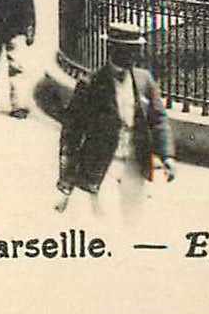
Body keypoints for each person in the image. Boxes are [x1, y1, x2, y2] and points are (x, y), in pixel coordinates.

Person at [56, 22, 174, 223]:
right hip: (103, 165)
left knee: (134, 219)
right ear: (112, 49)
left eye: (135, 49)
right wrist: (67, 176)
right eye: (127, 49)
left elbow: (158, 120)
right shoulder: (91, 83)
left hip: (135, 163)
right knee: (107, 220)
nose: (133, 55)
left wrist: (166, 156)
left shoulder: (144, 80)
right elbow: (72, 130)